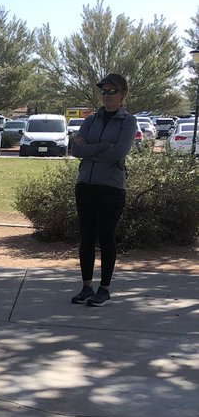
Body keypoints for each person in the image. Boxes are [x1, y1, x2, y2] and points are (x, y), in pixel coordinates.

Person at [68, 73, 138, 307]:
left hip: (111, 187)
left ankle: (104, 289)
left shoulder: (128, 121)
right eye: (104, 91)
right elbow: (76, 150)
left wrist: (90, 149)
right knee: (86, 237)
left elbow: (118, 152)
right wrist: (103, 147)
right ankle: (86, 287)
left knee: (106, 236)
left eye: (112, 91)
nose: (107, 96)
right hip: (85, 185)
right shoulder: (91, 119)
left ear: (122, 94)